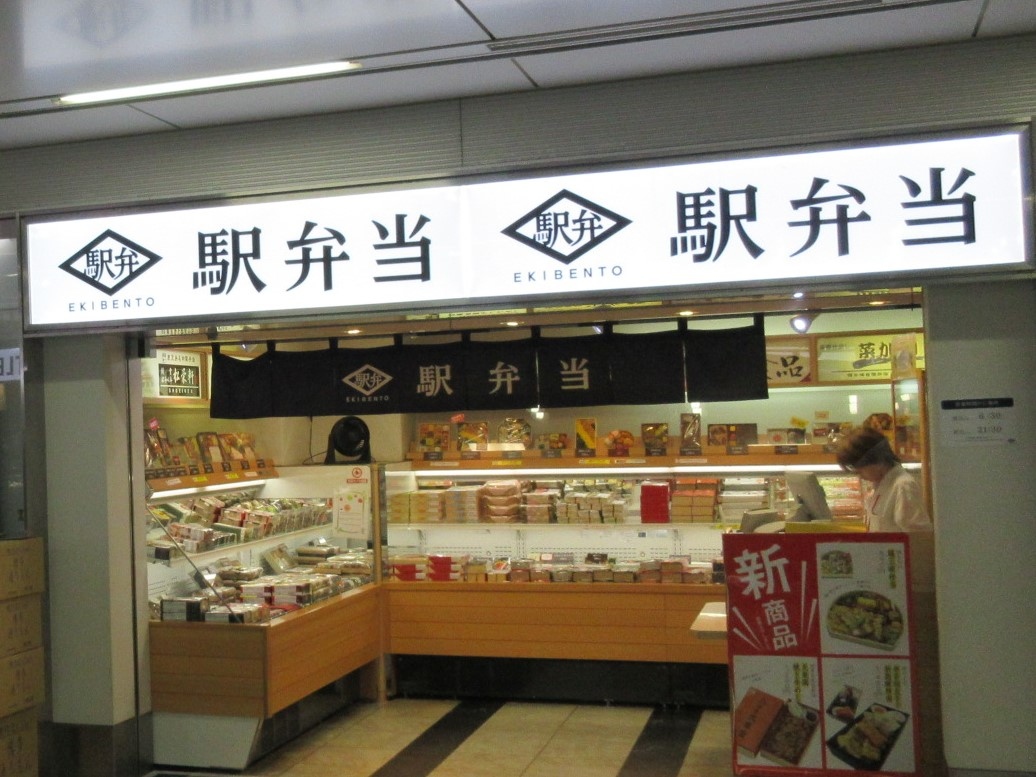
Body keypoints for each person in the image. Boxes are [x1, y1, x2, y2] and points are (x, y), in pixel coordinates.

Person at [835, 426, 932, 532]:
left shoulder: (903, 486)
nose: (860, 476)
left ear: (876, 460)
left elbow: (919, 535)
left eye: (860, 470)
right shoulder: (880, 486)